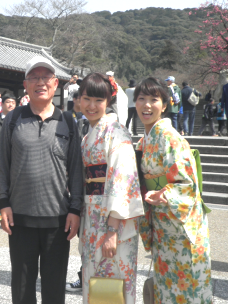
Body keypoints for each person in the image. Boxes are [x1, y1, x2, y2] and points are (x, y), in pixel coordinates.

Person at [0, 56, 83, 304]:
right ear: (26, 84)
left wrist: (75, 208)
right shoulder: (12, 120)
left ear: (56, 83)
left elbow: (76, 169)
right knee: (22, 289)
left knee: (54, 289)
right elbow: (2, 165)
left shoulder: (68, 121)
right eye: (34, 77)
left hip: (58, 219)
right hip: (20, 218)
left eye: (46, 77)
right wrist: (3, 203)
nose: (40, 82)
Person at [135, 77, 212, 304]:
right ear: (135, 102)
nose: (147, 105)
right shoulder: (143, 142)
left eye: (154, 99)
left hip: (181, 227)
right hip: (162, 226)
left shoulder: (171, 138)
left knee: (187, 286)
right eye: (141, 99)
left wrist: (165, 194)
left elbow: (188, 185)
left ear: (165, 105)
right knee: (166, 287)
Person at [78, 73, 144, 303]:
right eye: (87, 99)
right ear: (78, 100)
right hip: (92, 216)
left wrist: (112, 231)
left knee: (115, 284)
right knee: (94, 284)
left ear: (108, 102)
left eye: (99, 100)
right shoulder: (88, 137)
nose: (92, 106)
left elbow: (122, 180)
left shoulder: (116, 132)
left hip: (113, 221)